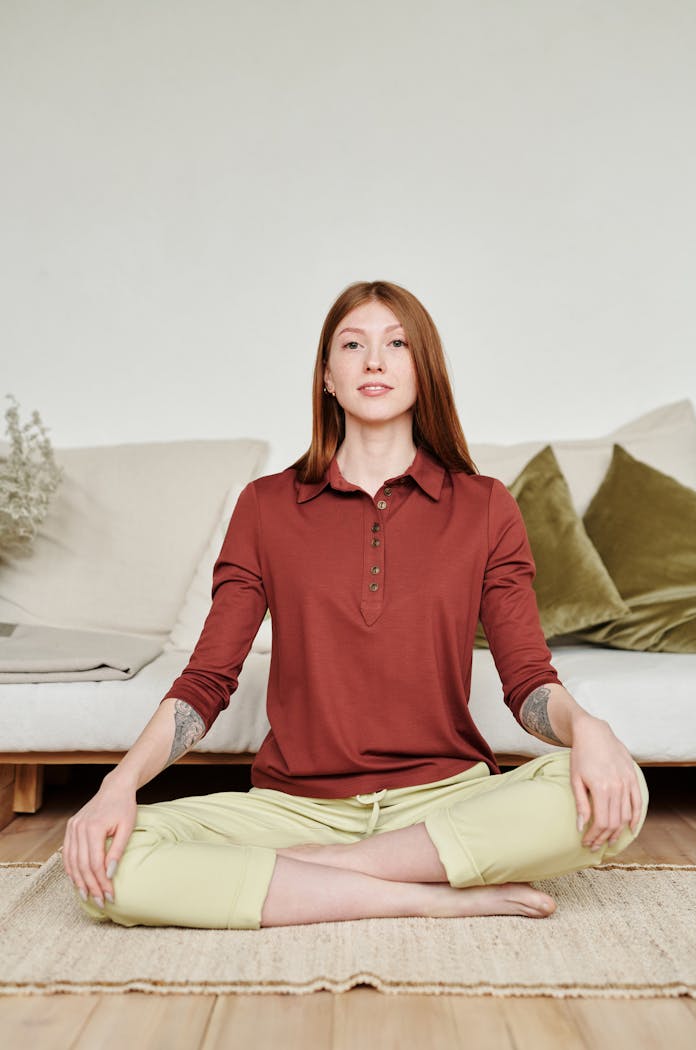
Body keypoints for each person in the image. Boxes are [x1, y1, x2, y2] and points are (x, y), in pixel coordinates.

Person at [63, 280, 648, 930]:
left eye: (396, 343)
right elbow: (206, 683)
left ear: (422, 370)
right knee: (107, 863)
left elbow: (528, 684)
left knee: (617, 784)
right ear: (327, 377)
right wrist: (116, 786)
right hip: (292, 808)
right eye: (353, 344)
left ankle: (318, 877)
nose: (375, 360)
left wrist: (588, 730)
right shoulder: (265, 507)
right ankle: (418, 893)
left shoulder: (486, 507)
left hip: (445, 800)